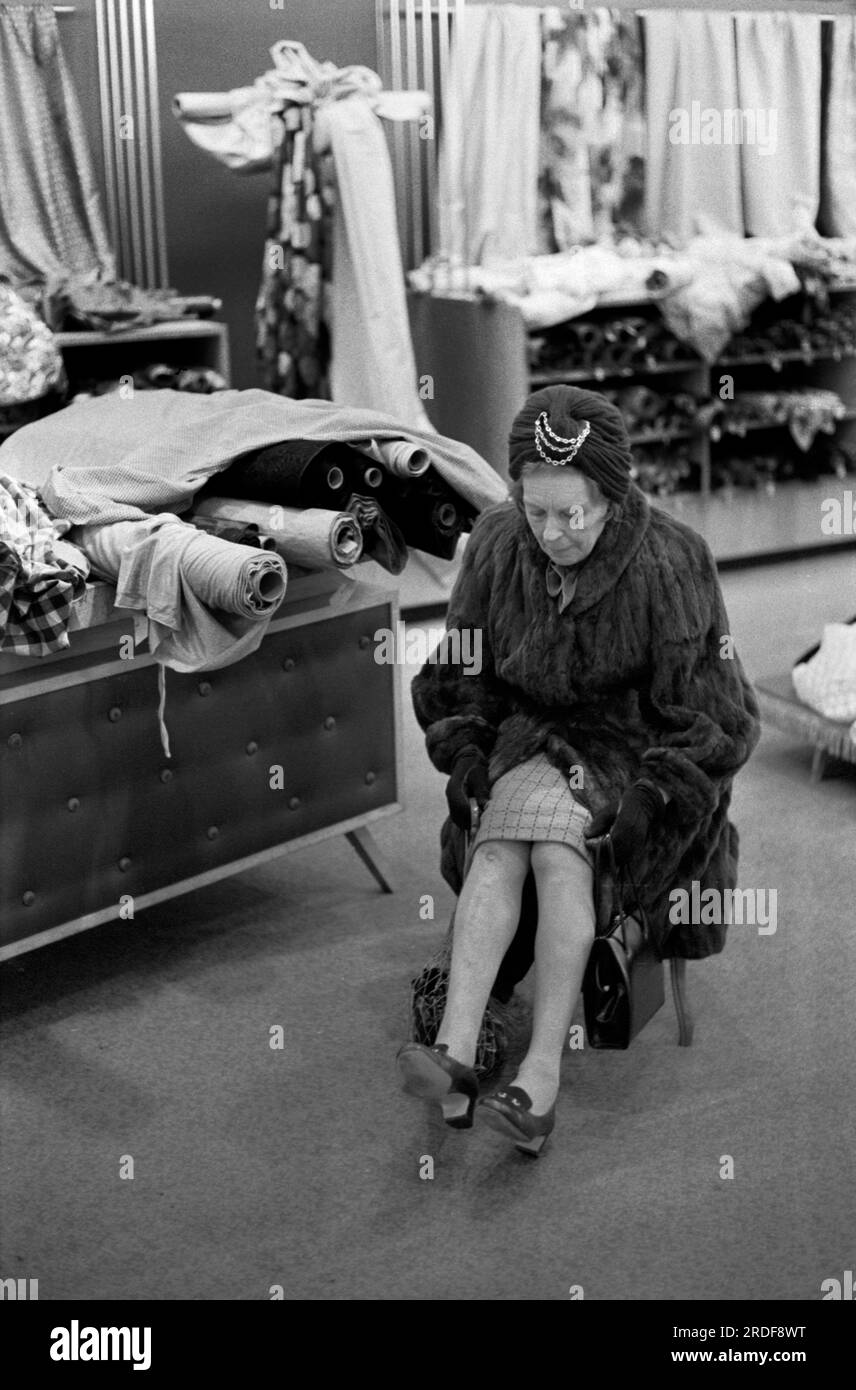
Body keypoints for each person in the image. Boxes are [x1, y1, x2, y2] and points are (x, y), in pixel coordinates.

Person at [396, 384, 761, 1156]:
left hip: (632, 746)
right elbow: (461, 669)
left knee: (564, 860)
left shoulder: (670, 559)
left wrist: (658, 790)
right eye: (537, 511)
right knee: (498, 848)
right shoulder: (498, 541)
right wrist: (464, 746)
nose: (553, 532)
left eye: (573, 514)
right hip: (531, 734)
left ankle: (540, 1073)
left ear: (612, 496)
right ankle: (457, 1052)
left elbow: (716, 715)